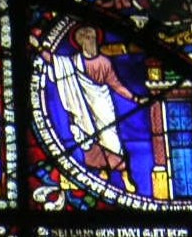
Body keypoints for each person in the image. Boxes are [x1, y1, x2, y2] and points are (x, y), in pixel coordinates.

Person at [41, 23, 139, 191]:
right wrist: (38, 48)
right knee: (89, 139)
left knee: (112, 140)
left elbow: (116, 85)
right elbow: (54, 61)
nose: (91, 40)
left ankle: (124, 175)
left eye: (93, 37)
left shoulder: (105, 62)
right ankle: (102, 170)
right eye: (87, 38)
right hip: (82, 109)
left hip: (102, 105)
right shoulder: (72, 63)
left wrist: (135, 97)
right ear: (80, 42)